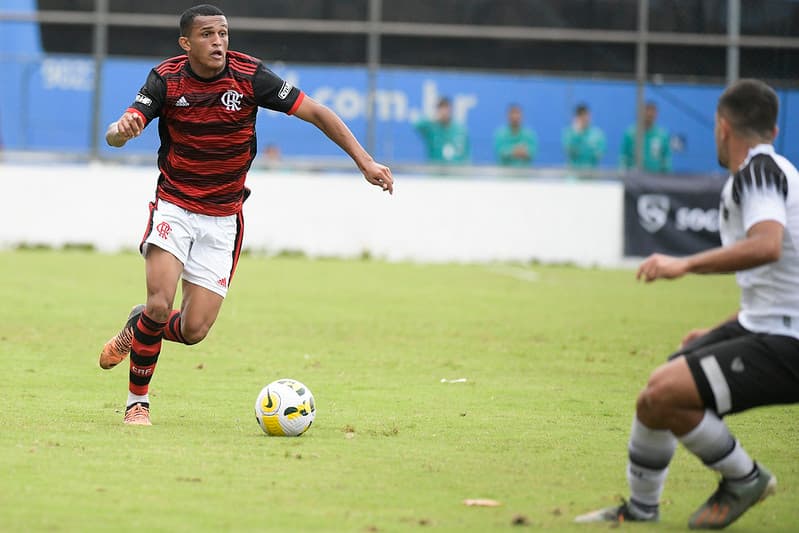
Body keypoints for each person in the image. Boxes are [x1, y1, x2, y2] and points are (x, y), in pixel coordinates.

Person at [99, 4, 393, 426]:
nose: (218, 41)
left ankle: (138, 326)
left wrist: (365, 162)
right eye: (207, 35)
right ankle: (137, 403)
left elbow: (318, 114)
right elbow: (122, 127)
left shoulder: (250, 75)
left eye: (222, 33)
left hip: (223, 218)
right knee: (160, 304)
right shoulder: (166, 78)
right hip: (175, 206)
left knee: (194, 330)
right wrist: (120, 132)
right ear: (186, 43)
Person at [575, 79, 799, 529]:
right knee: (655, 397)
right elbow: (781, 283)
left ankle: (745, 478)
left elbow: (767, 246)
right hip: (768, 325)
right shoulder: (768, 170)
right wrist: (723, 329)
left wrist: (684, 264)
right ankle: (641, 509)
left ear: (720, 126)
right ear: (774, 130)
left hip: (786, 341)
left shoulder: (759, 172)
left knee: (665, 392)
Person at [414, 97, 470, 164]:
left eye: (446, 108)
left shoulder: (460, 130)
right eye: (441, 108)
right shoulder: (431, 128)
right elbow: (417, 125)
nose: (444, 112)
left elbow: (467, 153)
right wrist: (433, 118)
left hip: (456, 171)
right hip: (435, 170)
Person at [620, 101, 672, 173]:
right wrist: (623, 175)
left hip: (656, 177)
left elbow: (666, 160)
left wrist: (667, 177)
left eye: (653, 112)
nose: (649, 114)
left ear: (656, 114)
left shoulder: (662, 135)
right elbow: (624, 158)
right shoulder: (630, 133)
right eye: (647, 111)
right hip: (634, 178)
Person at [562, 103, 605, 169]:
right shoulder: (569, 133)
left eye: (586, 115)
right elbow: (569, 153)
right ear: (576, 117)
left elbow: (598, 155)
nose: (585, 119)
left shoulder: (597, 134)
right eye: (581, 116)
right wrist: (577, 135)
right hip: (574, 174)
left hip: (592, 173)